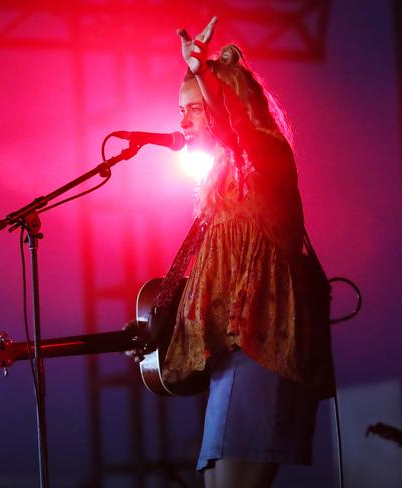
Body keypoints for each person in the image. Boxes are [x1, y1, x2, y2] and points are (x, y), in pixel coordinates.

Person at [131, 16, 334, 488]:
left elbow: (235, 129)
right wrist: (161, 320)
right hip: (234, 357)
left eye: (194, 108)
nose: (182, 121)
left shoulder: (266, 156)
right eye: (181, 110)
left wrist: (204, 71)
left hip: (265, 349)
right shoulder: (220, 190)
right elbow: (210, 284)